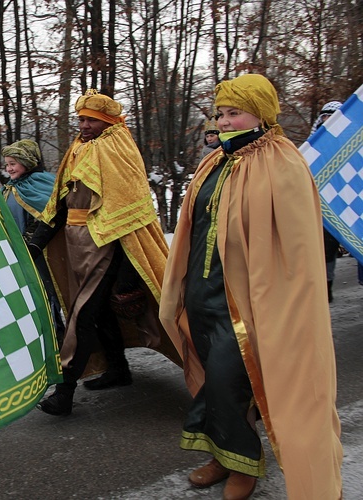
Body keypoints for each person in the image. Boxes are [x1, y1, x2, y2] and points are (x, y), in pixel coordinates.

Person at [160, 74, 343, 500]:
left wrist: (282, 309)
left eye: (233, 113)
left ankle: (245, 464)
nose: (223, 121)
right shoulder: (215, 161)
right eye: (221, 113)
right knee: (212, 383)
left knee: (231, 381)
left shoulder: (283, 163)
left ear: (260, 114)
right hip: (201, 294)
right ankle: (224, 455)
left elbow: (296, 254)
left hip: (245, 302)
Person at [29, 89, 180, 416]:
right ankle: (118, 369)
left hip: (106, 245)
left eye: (90, 120)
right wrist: (38, 239)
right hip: (77, 244)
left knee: (82, 313)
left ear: (107, 121)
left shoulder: (117, 148)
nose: (83, 125)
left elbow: (129, 212)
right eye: (80, 119)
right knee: (98, 312)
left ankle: (64, 391)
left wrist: (127, 273)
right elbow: (63, 200)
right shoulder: (78, 149)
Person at [2, 139, 65, 342]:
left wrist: (29, 242)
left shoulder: (41, 183)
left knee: (46, 294)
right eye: (7, 164)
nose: (9, 168)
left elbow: (46, 216)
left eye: (13, 163)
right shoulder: (11, 188)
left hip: (40, 252)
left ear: (27, 162)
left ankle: (56, 337)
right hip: (18, 252)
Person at [309, 101, 344, 302]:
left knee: (328, 249)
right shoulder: (313, 145)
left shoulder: (346, 142)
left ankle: (327, 285)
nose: (327, 120)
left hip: (338, 204)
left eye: (332, 117)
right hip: (315, 203)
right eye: (324, 116)